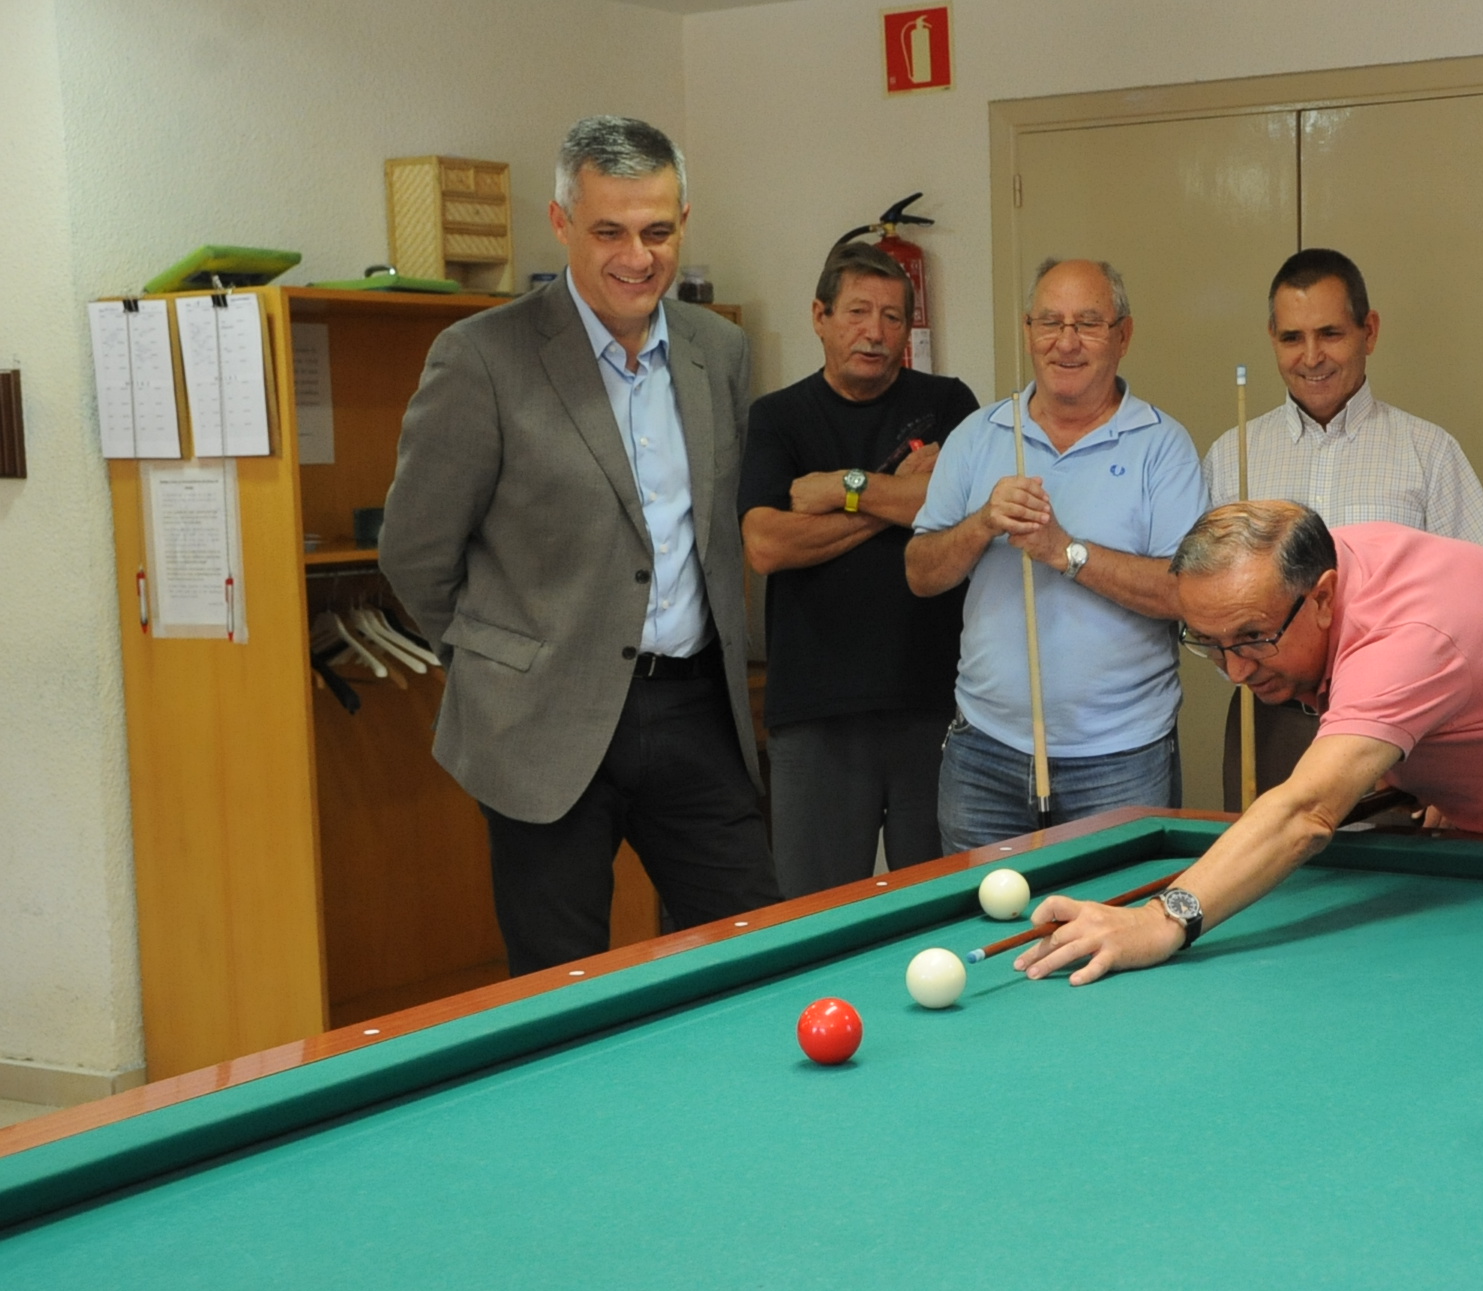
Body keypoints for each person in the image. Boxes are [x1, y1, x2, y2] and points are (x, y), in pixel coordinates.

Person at [1012, 500, 1483, 986]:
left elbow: (1307, 812)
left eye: (1253, 639)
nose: (1235, 669)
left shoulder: (1410, 633)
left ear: (1324, 596)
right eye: (1208, 644)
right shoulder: (1316, 574)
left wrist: (1160, 920)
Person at [382, 115, 777, 976]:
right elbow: (415, 552)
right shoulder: (481, 357)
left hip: (695, 712)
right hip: (542, 723)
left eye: (658, 231)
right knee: (560, 988)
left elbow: (718, 531)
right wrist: (506, 658)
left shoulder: (722, 351)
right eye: (610, 231)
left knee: (755, 955)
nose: (637, 256)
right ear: (563, 225)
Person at [906, 258, 1208, 850]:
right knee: (978, 931)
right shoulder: (979, 435)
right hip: (985, 754)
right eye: (1051, 322)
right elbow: (920, 573)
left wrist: (1064, 550)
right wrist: (981, 525)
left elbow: (1188, 595)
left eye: (1088, 323)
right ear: (1028, 331)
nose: (1066, 342)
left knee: (1115, 931)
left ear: (1123, 335)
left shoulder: (1163, 446)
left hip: (1121, 758)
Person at [1203, 248, 1483, 807]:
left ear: (1368, 331)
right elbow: (1204, 604)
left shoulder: (1428, 453)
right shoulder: (1233, 455)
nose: (1311, 357)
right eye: (1291, 338)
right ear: (1272, 338)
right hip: (1273, 723)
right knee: (1262, 884)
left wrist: (1464, 754)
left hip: (1404, 729)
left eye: (1330, 333)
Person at [738, 244, 981, 897]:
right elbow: (765, 544)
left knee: (940, 907)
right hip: (816, 714)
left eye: (893, 318)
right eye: (857, 312)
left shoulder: (949, 403)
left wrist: (841, 488)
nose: (875, 332)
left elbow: (962, 511)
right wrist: (890, 500)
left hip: (936, 705)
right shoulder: (778, 417)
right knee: (815, 917)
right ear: (820, 316)